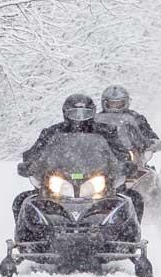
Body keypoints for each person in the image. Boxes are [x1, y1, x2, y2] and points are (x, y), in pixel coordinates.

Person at [13, 94, 143, 221]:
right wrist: (30, 165)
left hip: (98, 180)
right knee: (22, 201)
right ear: (65, 113)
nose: (80, 118)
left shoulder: (106, 131)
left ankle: (130, 237)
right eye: (74, 113)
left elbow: (121, 153)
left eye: (85, 113)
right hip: (60, 180)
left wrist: (125, 166)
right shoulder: (52, 132)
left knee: (133, 199)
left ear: (93, 113)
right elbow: (34, 153)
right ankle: (25, 238)